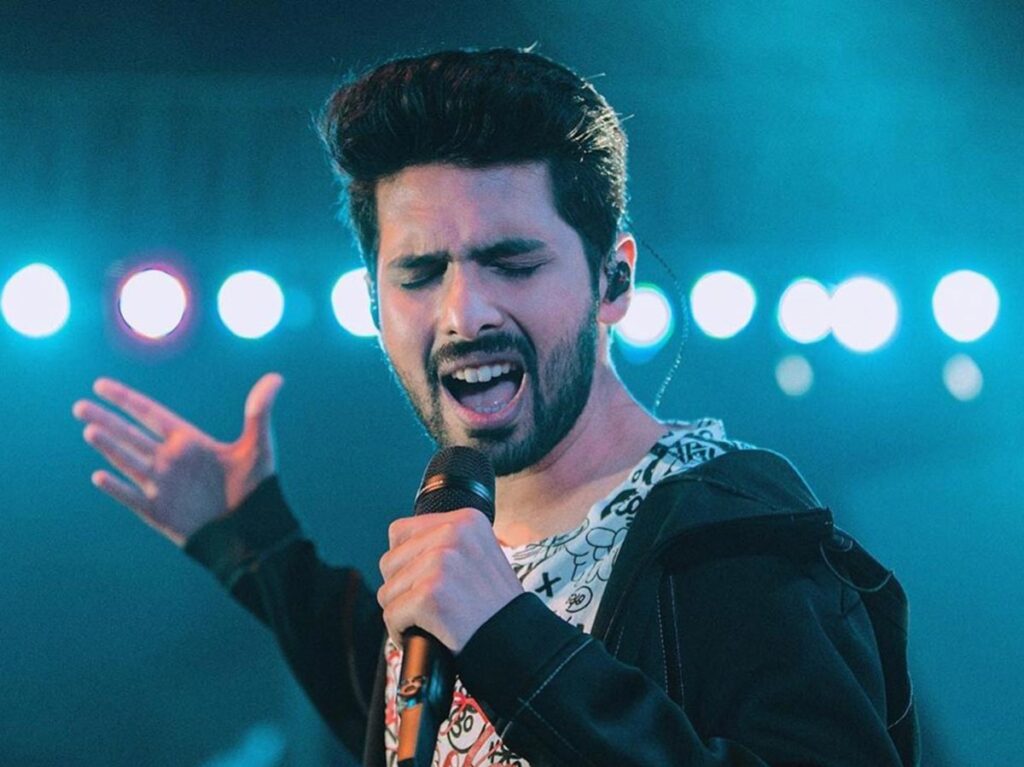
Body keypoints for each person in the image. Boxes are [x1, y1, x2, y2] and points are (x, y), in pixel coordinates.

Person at [72, 48, 919, 766]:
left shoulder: (729, 533)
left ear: (613, 280)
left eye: (511, 263)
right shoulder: (465, 553)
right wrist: (255, 544)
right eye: (420, 273)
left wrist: (509, 637)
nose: (464, 313)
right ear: (374, 305)